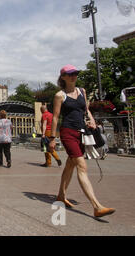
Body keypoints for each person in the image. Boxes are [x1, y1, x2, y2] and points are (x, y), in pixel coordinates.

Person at [49, 64, 115, 218]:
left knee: (70, 165)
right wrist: (52, 138)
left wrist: (91, 120)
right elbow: (55, 117)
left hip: (82, 133)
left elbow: (86, 109)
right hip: (68, 133)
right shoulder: (60, 95)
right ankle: (97, 206)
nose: (74, 76)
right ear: (63, 77)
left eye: (76, 73)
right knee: (81, 165)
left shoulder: (82, 91)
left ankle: (61, 195)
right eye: (70, 74)